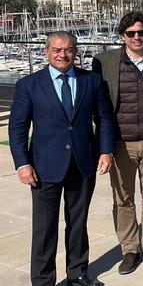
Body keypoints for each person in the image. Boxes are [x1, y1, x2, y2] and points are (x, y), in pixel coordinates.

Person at [9, 31, 115, 286]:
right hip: (44, 167)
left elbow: (104, 119)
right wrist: (23, 164)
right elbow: (18, 128)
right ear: (46, 52)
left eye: (68, 49)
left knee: (78, 223)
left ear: (76, 52)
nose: (62, 55)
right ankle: (43, 280)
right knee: (44, 228)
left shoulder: (92, 81)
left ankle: (77, 273)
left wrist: (106, 150)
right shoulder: (29, 85)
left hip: (83, 163)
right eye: (57, 50)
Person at [91, 11, 143, 274]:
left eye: (142, 32)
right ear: (122, 36)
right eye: (131, 33)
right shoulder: (104, 61)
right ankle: (130, 249)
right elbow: (96, 103)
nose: (137, 37)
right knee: (123, 199)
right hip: (120, 143)